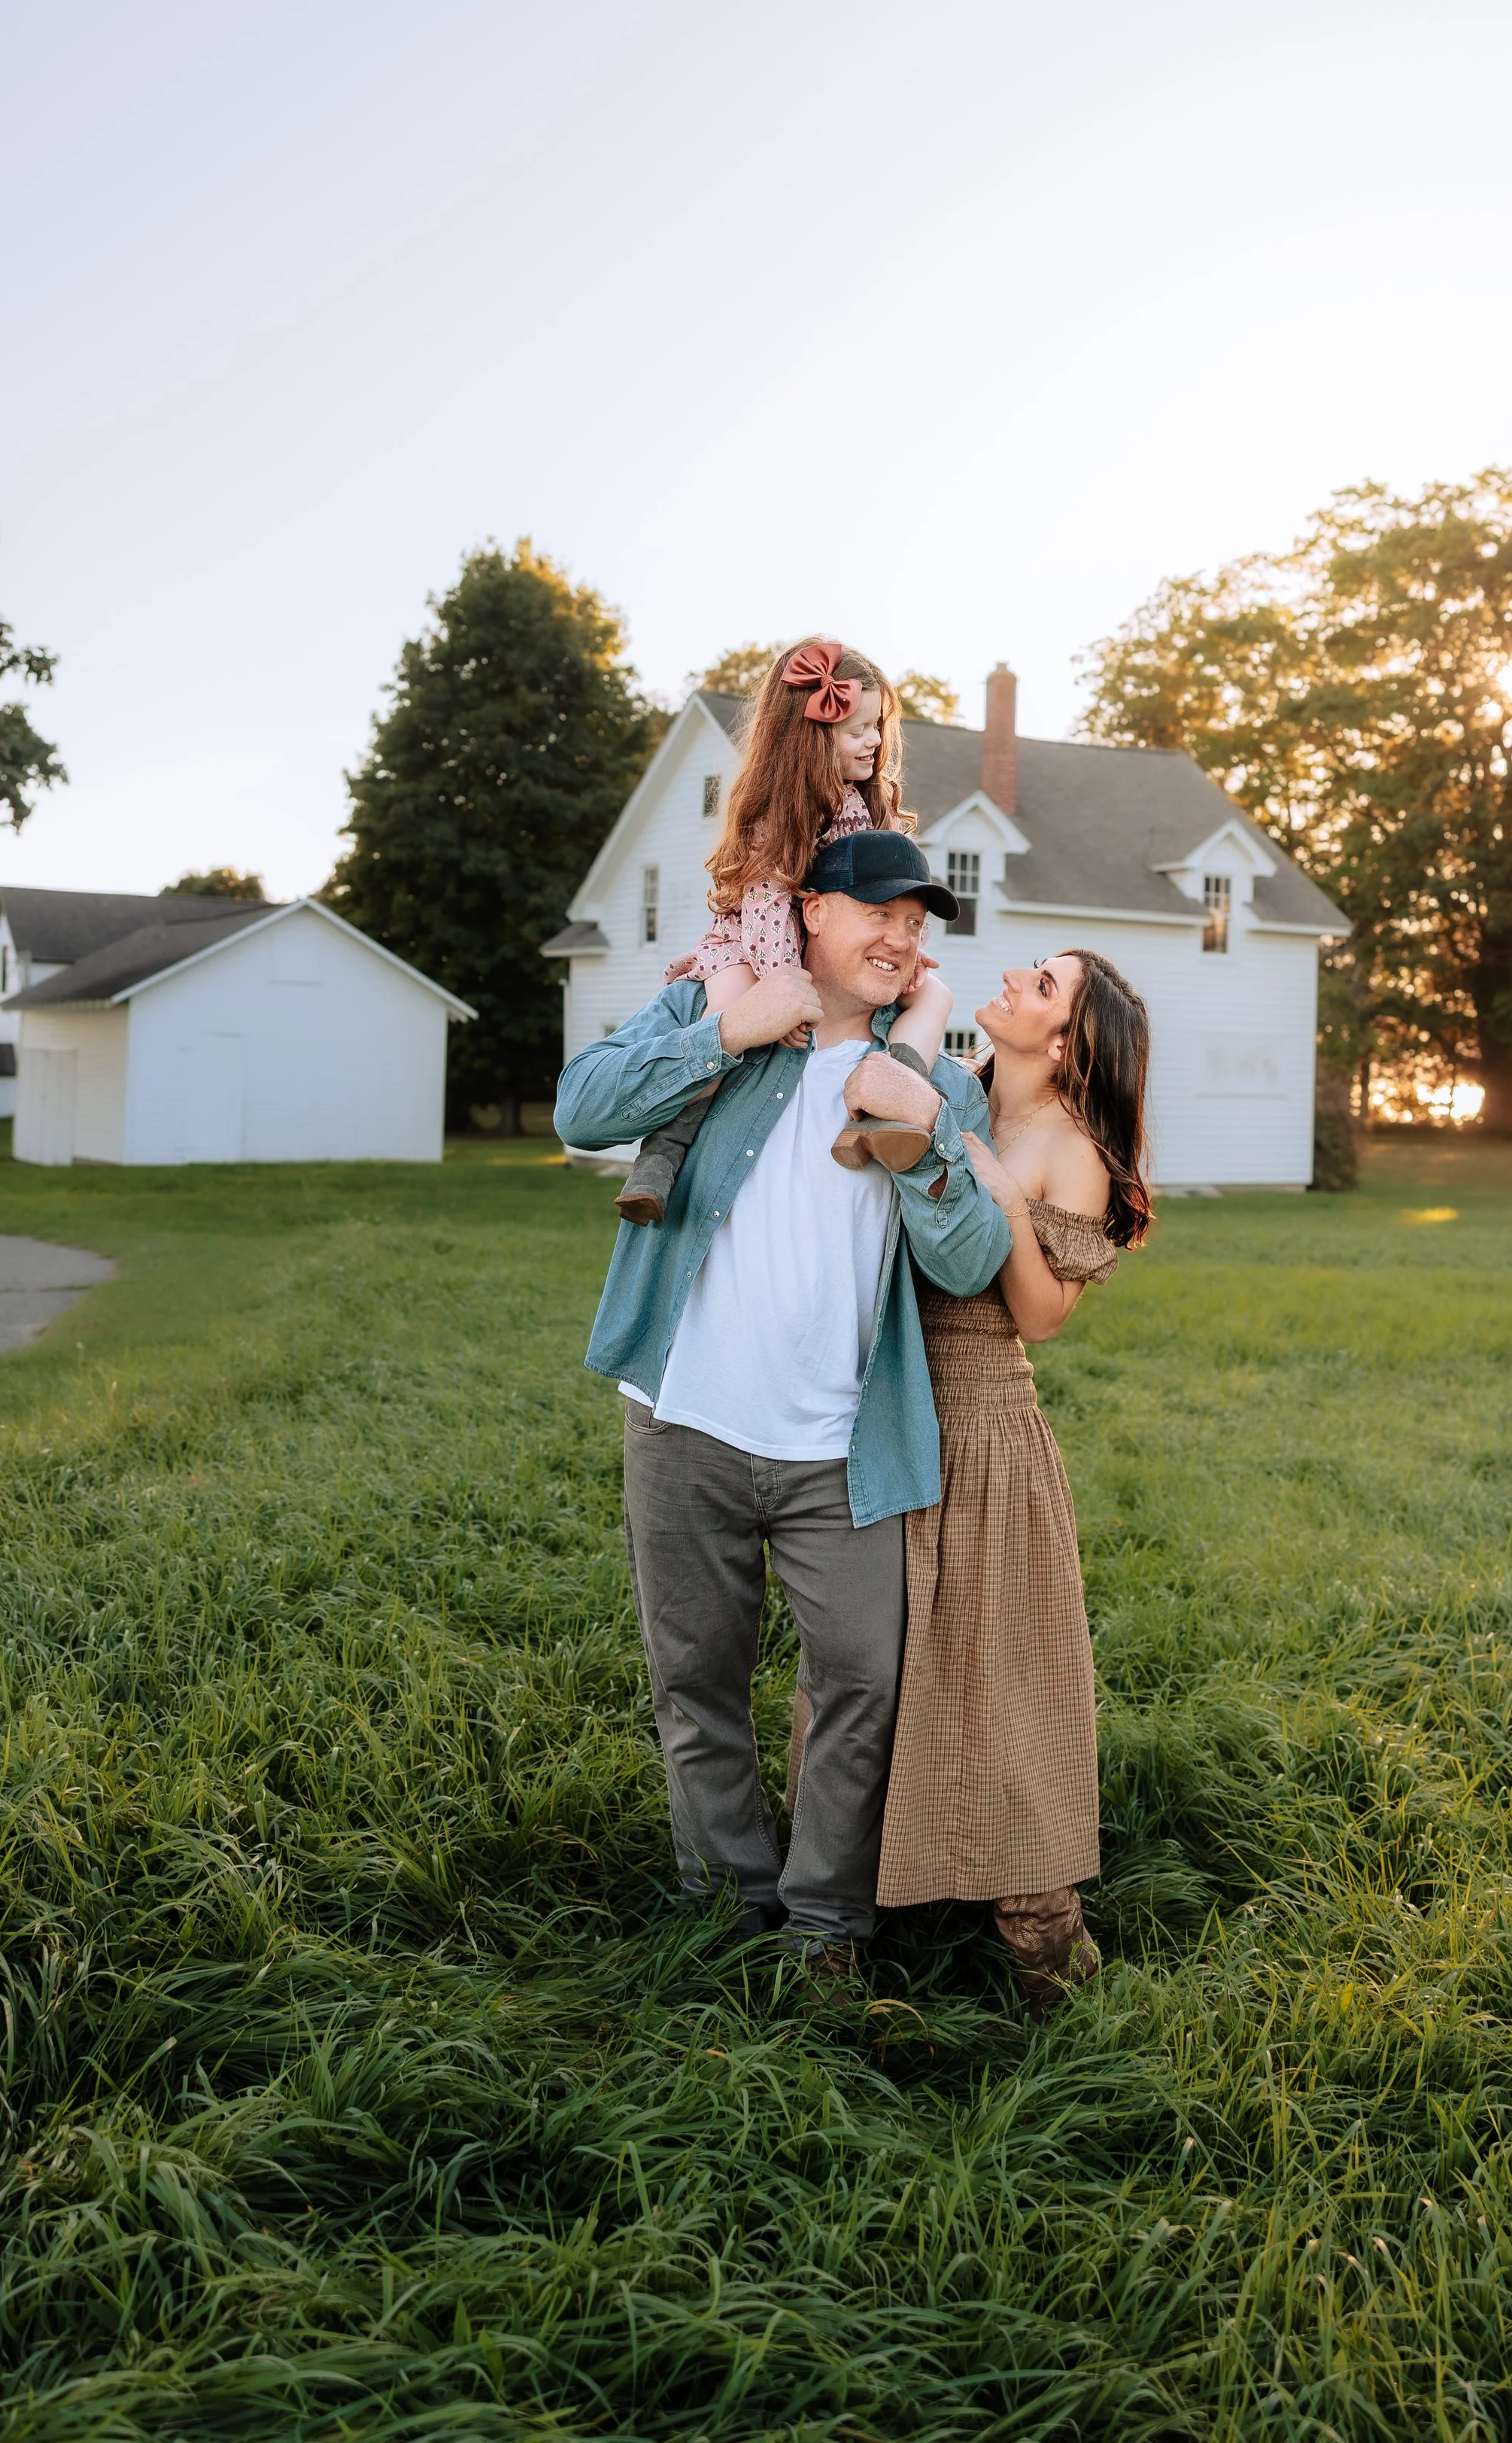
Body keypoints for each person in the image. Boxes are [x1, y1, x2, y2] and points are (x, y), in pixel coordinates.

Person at [555, 828, 1012, 1978]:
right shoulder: (726, 1010)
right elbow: (582, 1106)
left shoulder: (935, 1078)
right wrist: (729, 1028)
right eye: (881, 916)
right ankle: (727, 1908)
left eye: (918, 928)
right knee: (696, 1682)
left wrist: (907, 1120)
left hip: (843, 1447)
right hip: (687, 1420)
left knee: (861, 1680)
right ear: (810, 908)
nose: (903, 942)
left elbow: (966, 1259)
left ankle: (823, 1929)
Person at [874, 949, 1152, 2014]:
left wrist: (994, 1183)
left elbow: (1042, 1316)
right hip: (889, 1392)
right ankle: (882, 1895)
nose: (1016, 981)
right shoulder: (950, 1084)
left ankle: (1040, 1928)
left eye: (1042, 986)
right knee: (882, 1658)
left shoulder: (1067, 1148)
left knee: (995, 1668)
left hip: (983, 1414)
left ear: (1068, 1040)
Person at [613, 638, 953, 1223]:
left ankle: (881, 1115)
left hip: (823, 952)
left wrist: (906, 949)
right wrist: (782, 993)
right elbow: (766, 909)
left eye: (877, 727)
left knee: (936, 998)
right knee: (726, 1020)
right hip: (753, 948)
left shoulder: (869, 809)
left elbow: (893, 890)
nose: (874, 742)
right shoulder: (779, 816)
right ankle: (661, 1158)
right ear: (812, 739)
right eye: (857, 731)